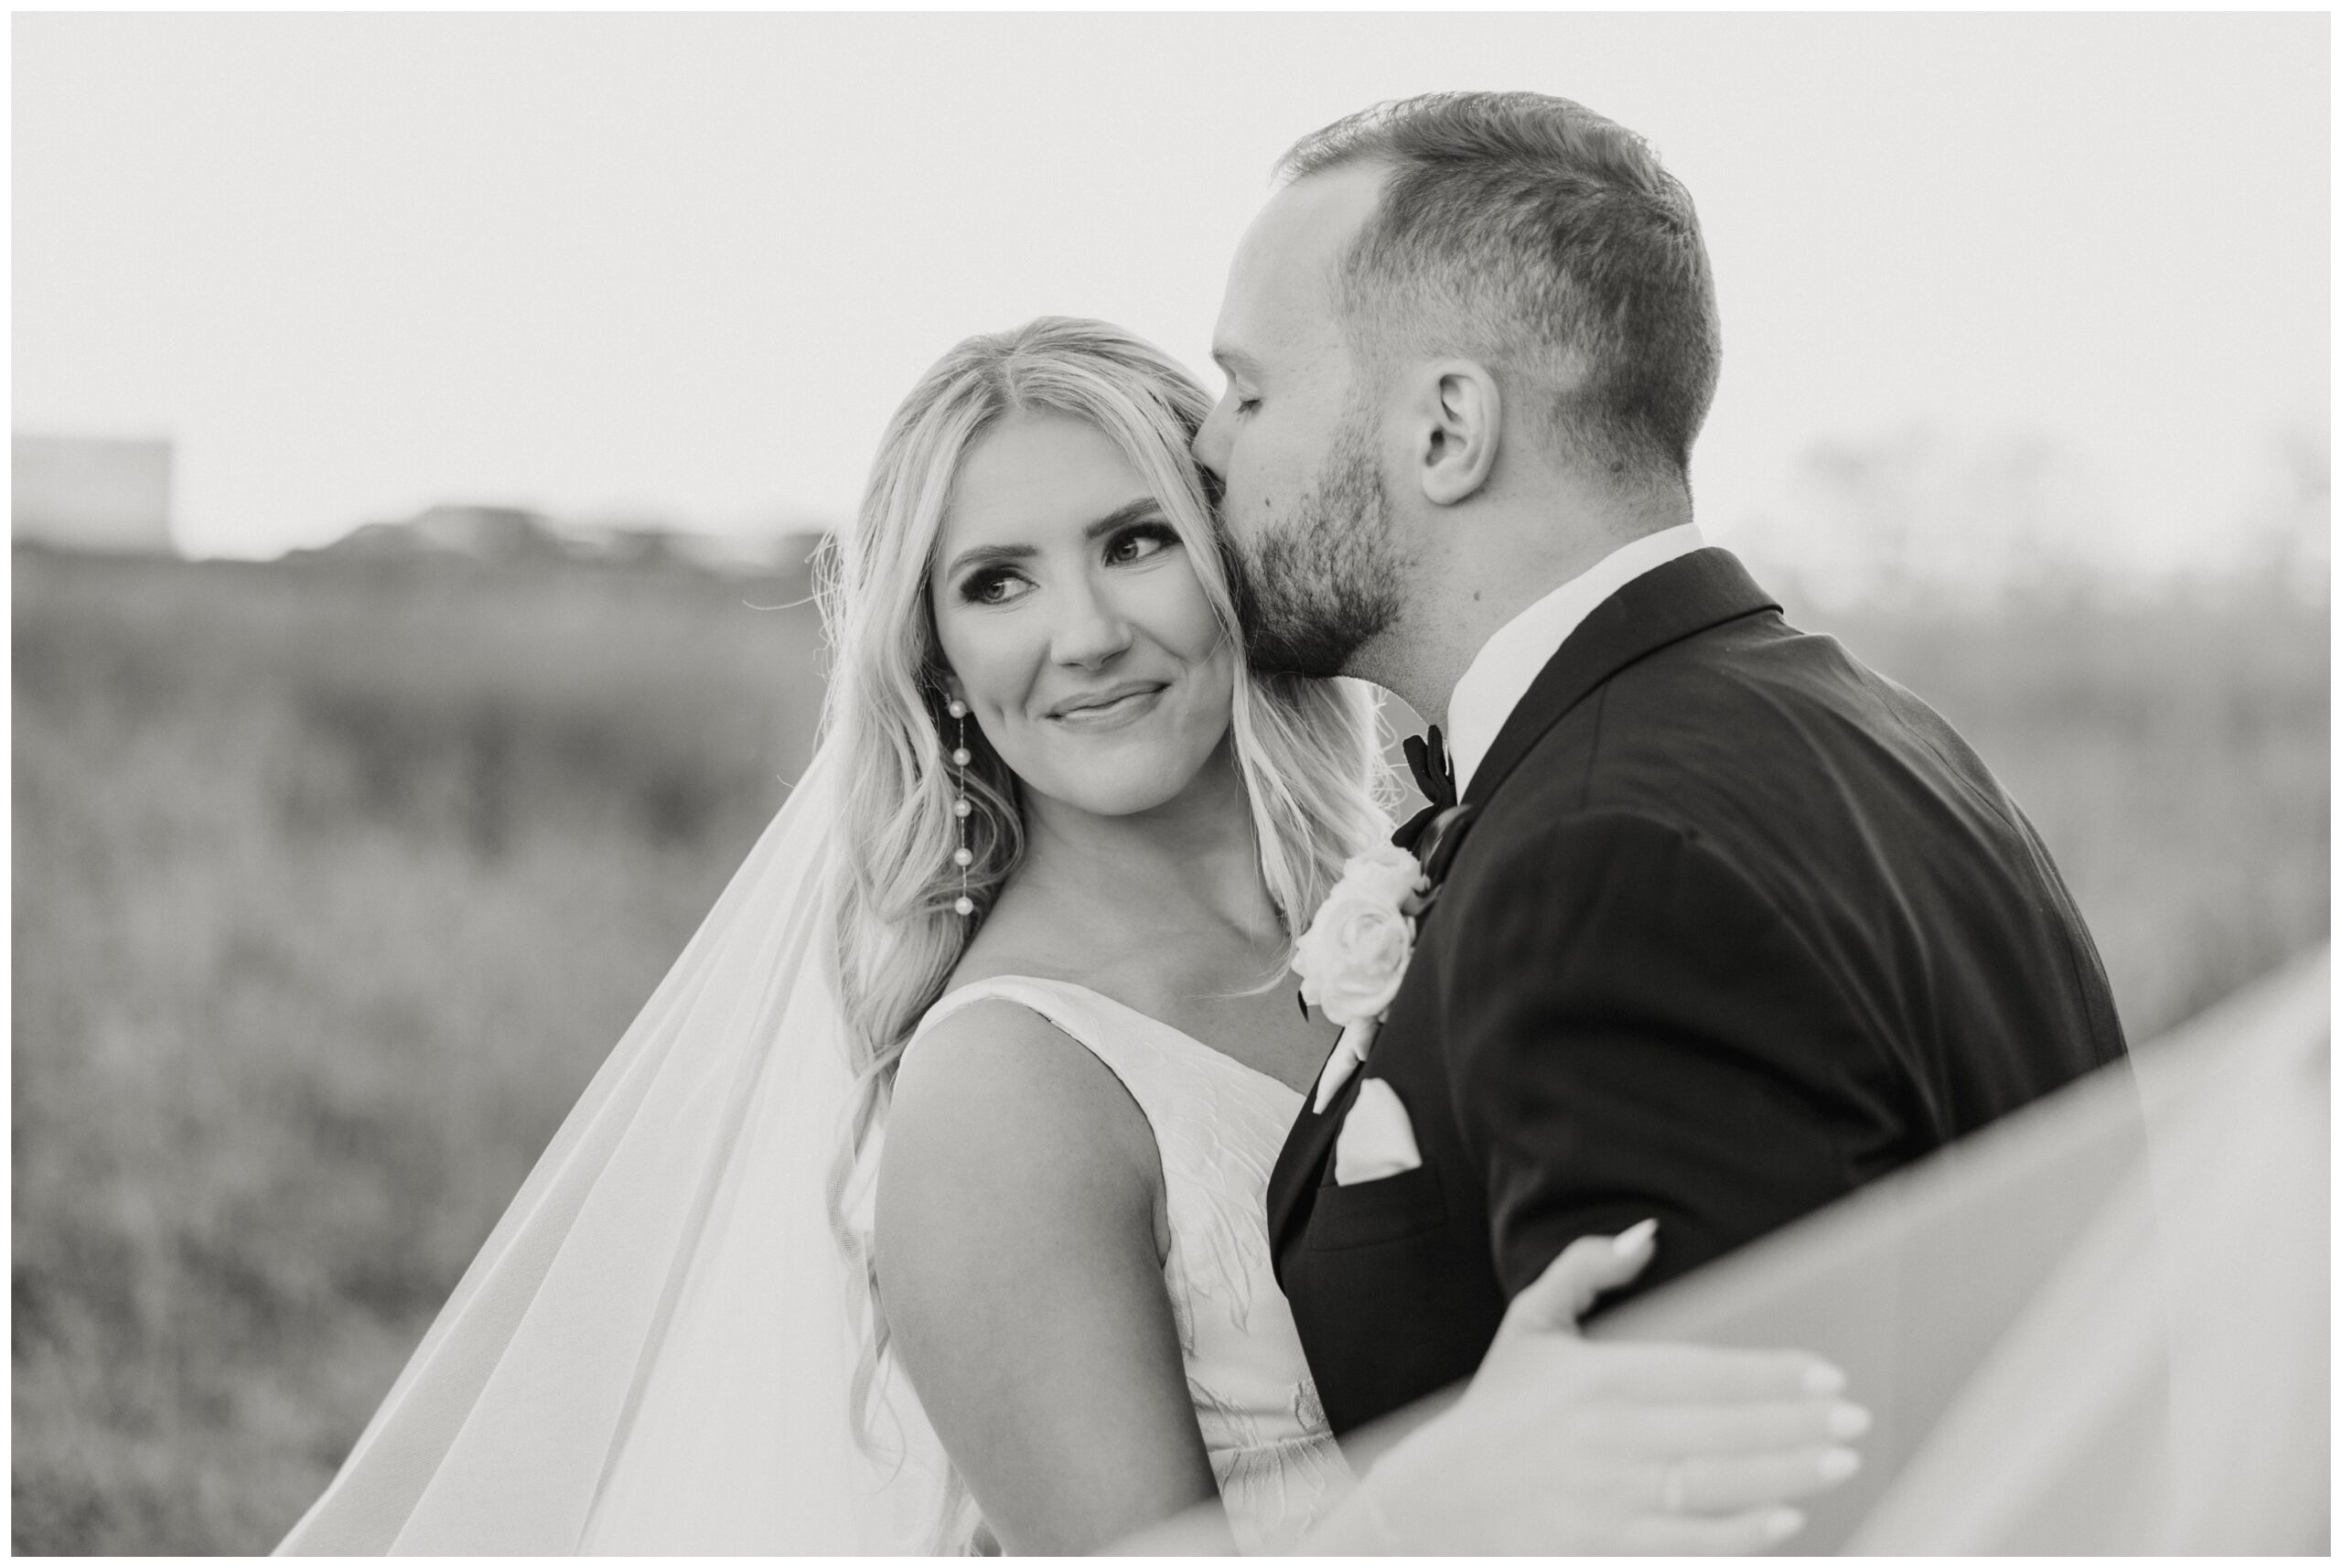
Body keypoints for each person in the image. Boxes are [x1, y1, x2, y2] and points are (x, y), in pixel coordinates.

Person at [274, 317, 1866, 1555]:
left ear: (1230, 553)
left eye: (1135, 540)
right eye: (998, 582)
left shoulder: (1419, 886)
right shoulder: (1007, 1092)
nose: (1086, 635)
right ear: (939, 659)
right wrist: (1459, 1495)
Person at [1193, 90, 2133, 1443]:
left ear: (1446, 429)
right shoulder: (1888, 737)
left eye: (1251, 390)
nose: (1209, 445)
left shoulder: (1605, 863)